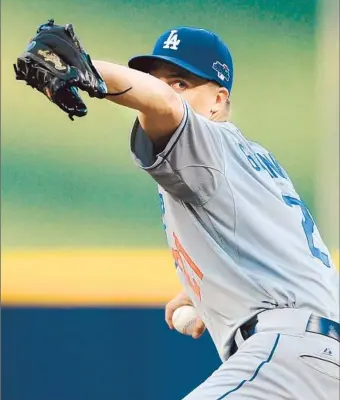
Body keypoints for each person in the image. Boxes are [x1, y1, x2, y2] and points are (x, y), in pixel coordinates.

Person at [20, 25, 340, 399]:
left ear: (218, 100)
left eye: (181, 82)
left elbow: (163, 105)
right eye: (155, 78)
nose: (166, 90)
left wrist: (89, 69)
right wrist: (214, 295)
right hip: (315, 359)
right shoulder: (251, 162)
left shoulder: (206, 143)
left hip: (285, 360)